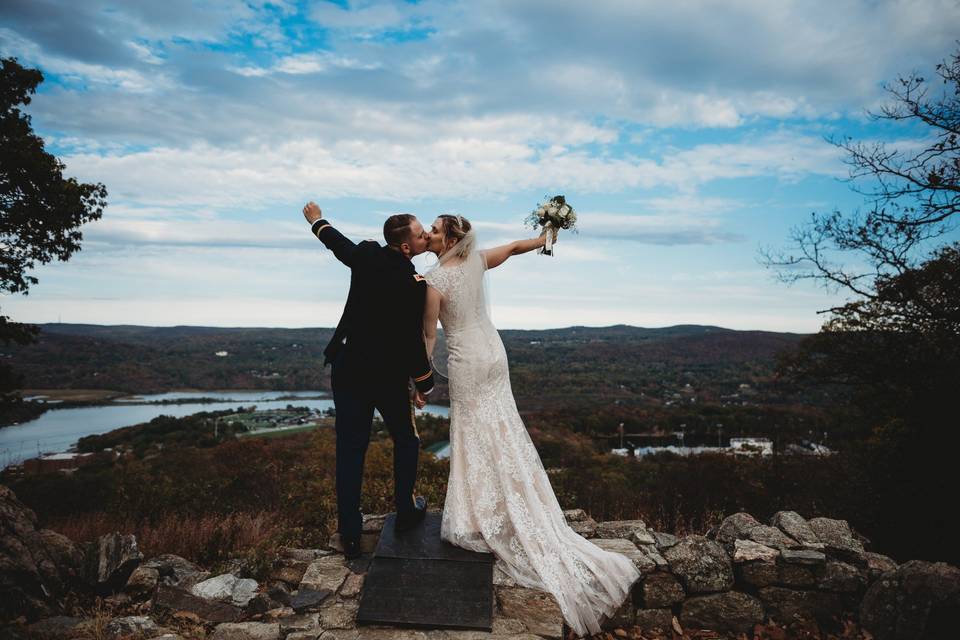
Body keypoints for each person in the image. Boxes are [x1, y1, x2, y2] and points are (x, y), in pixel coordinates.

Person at [422, 214, 641, 637]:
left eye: (434, 229)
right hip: (494, 355)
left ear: (448, 237)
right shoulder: (477, 261)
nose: (429, 234)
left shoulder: (434, 281)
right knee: (502, 429)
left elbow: (429, 336)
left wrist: (421, 378)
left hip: (467, 361)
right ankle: (507, 502)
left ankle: (477, 512)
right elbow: (517, 248)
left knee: (471, 433)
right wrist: (546, 236)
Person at [302, 201, 435, 560]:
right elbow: (411, 340)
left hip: (349, 370)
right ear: (406, 247)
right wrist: (425, 383)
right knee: (406, 440)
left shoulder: (365, 256)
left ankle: (349, 533)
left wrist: (317, 221)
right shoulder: (414, 283)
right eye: (421, 235)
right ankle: (406, 511)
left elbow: (336, 243)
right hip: (388, 376)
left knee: (350, 450)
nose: (426, 238)